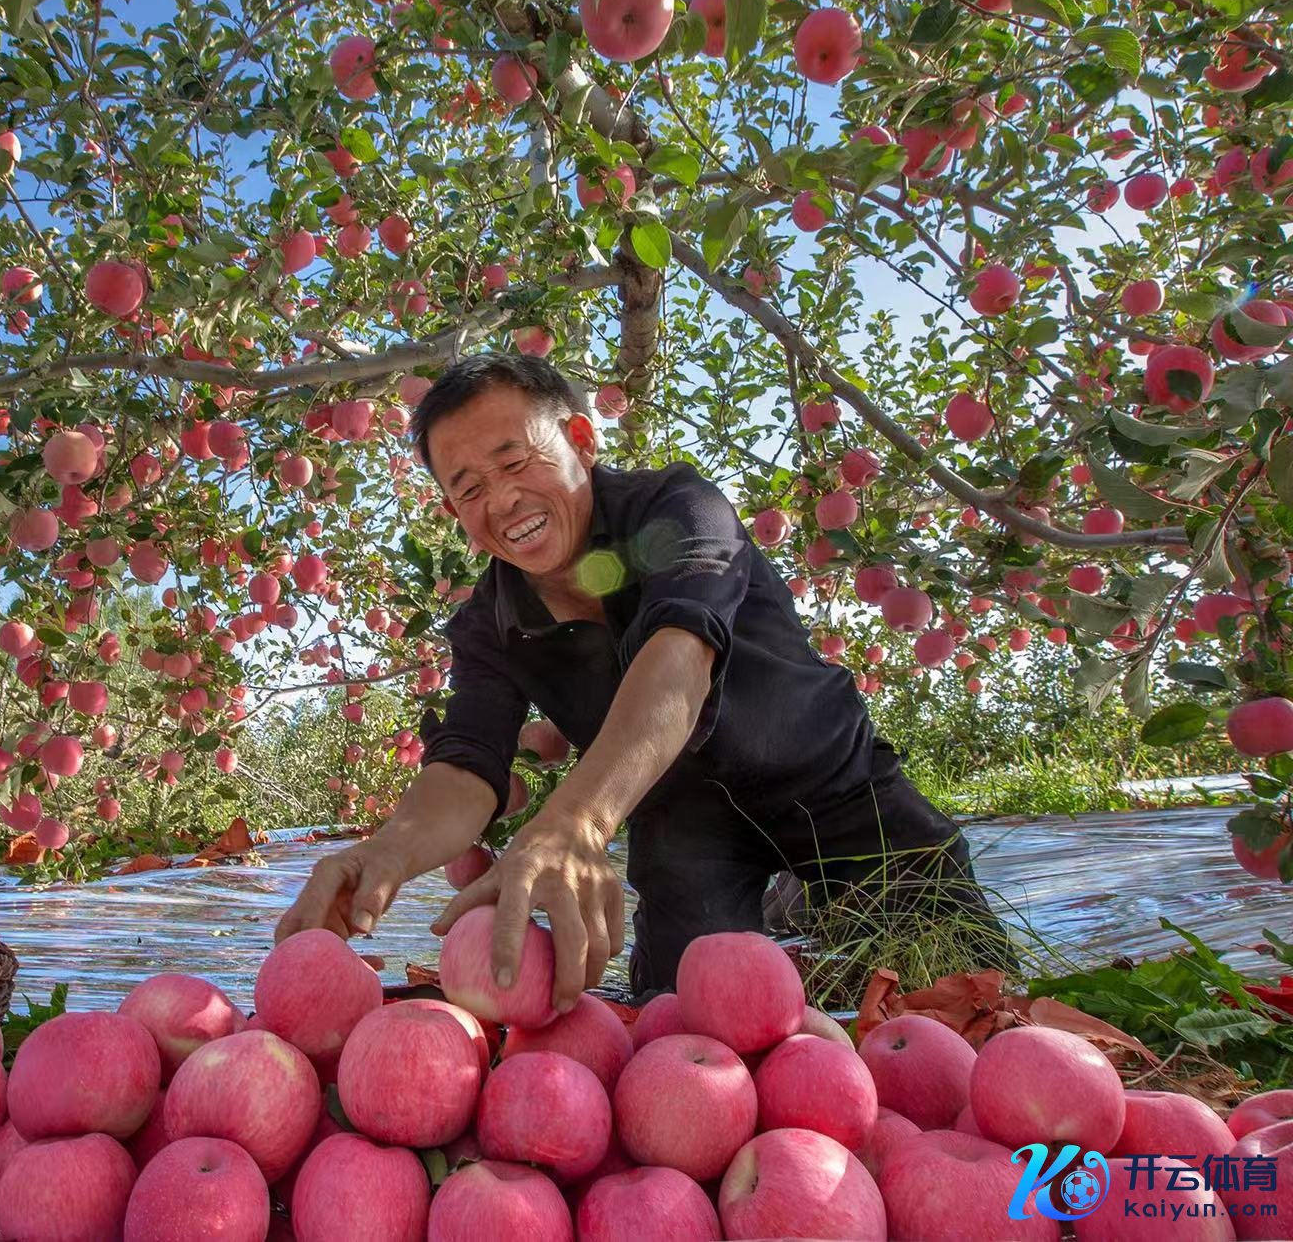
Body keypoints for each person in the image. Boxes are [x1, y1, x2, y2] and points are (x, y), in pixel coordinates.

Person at [274, 352, 1009, 1016]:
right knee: (675, 1019)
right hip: (683, 828)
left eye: (517, 460)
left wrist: (576, 823)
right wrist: (386, 852)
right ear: (455, 513)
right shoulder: (487, 624)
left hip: (833, 781)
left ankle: (802, 894)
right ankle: (788, 900)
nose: (502, 501)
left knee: (977, 994)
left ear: (583, 442)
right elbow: (467, 765)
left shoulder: (680, 510)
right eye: (469, 488)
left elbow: (677, 660)